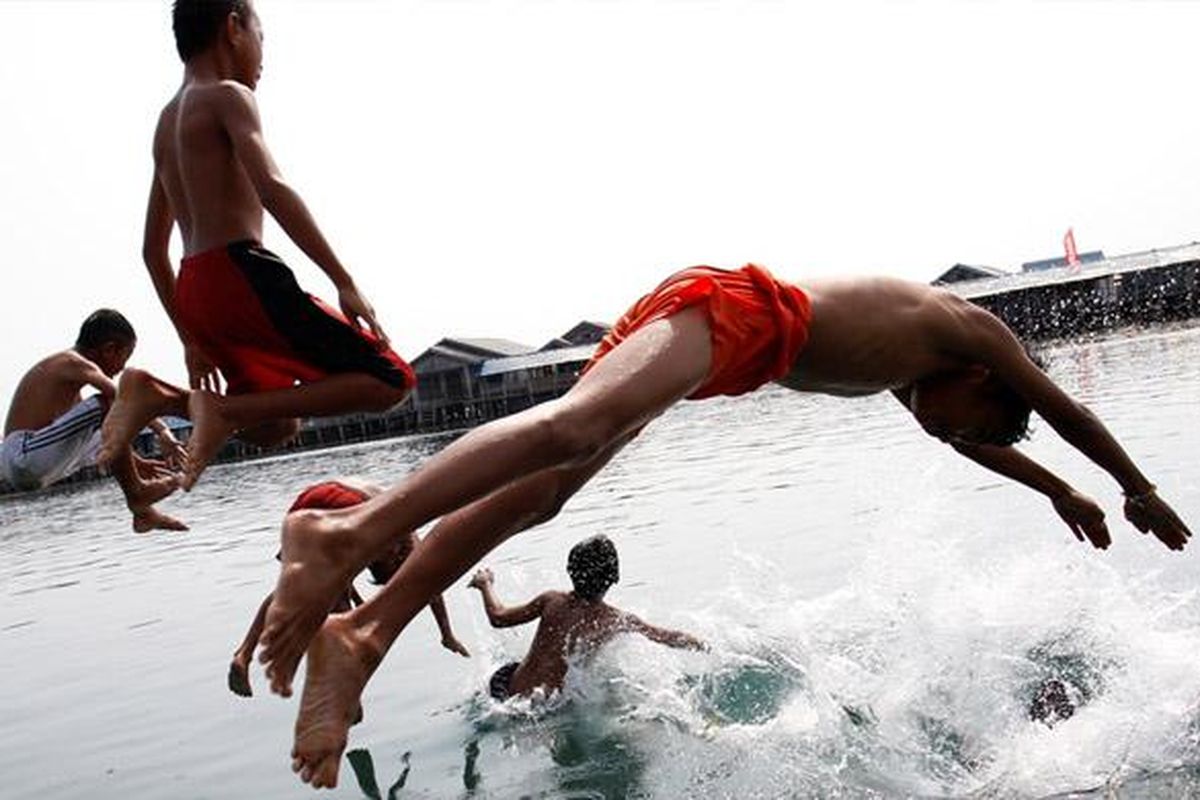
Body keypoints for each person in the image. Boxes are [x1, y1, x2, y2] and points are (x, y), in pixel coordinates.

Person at [261, 264, 1190, 788]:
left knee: (546, 492)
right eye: (964, 421)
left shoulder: (921, 378)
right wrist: (1131, 486)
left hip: (719, 349)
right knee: (570, 428)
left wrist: (1053, 494)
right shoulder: (973, 333)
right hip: (728, 312)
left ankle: (366, 634)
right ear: (984, 382)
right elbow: (1063, 408)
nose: (946, 431)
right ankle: (347, 535)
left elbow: (974, 443)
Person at [98, 0, 413, 490]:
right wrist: (343, 281)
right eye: (262, 37)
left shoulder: (165, 123)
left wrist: (189, 336)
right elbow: (272, 187)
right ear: (233, 27)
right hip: (239, 273)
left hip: (196, 285)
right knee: (391, 380)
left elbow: (151, 251)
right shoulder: (228, 97)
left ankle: (159, 395)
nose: (264, 56)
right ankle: (209, 410)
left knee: (275, 426)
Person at [228, 478, 469, 698]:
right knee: (333, 603)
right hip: (346, 506)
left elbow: (344, 576)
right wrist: (446, 634)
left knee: (302, 587)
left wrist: (357, 598)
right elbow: (431, 588)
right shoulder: (397, 538)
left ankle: (244, 653)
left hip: (314, 498)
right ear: (394, 557)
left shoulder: (396, 531)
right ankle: (343, 694)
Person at [1, 310, 187, 532]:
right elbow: (122, 398)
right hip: (21, 456)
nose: (120, 370)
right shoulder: (71, 361)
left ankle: (143, 513)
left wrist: (136, 462)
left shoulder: (71, 389)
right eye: (124, 358)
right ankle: (137, 495)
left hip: (34, 466)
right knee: (107, 405)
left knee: (105, 425)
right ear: (109, 350)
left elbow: (100, 438)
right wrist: (163, 431)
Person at [469, 535, 705, 701]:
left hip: (507, 693)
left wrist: (485, 584)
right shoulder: (616, 620)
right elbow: (667, 637)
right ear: (614, 577)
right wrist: (704, 645)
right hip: (550, 707)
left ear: (570, 570)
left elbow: (498, 617)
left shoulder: (552, 601)